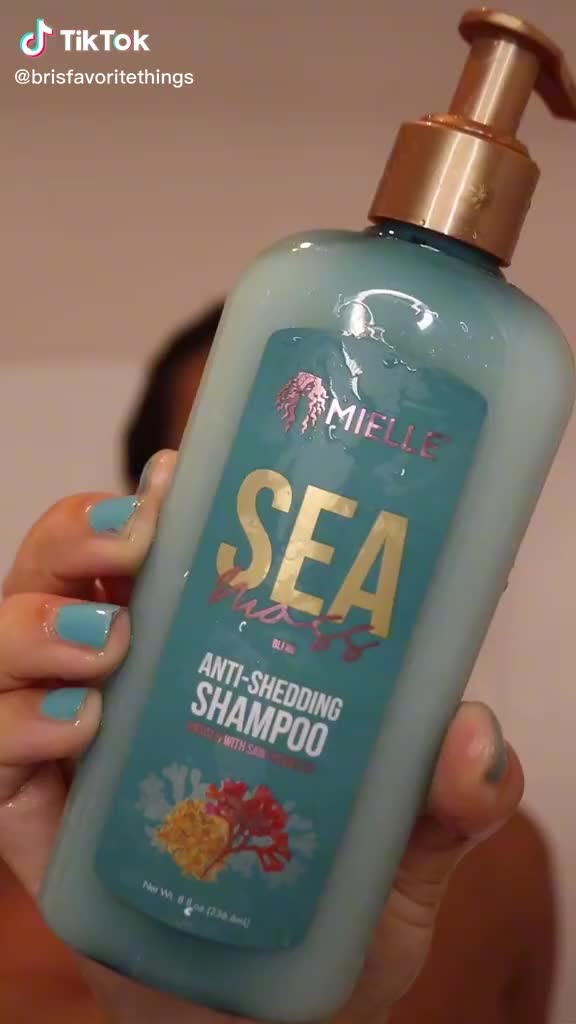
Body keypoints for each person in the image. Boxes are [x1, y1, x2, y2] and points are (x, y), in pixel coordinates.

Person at [0, 307, 550, 1024]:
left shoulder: (505, 869)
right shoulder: (36, 863)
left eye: (379, 487)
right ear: (149, 515)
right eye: (267, 482)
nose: (309, 552)